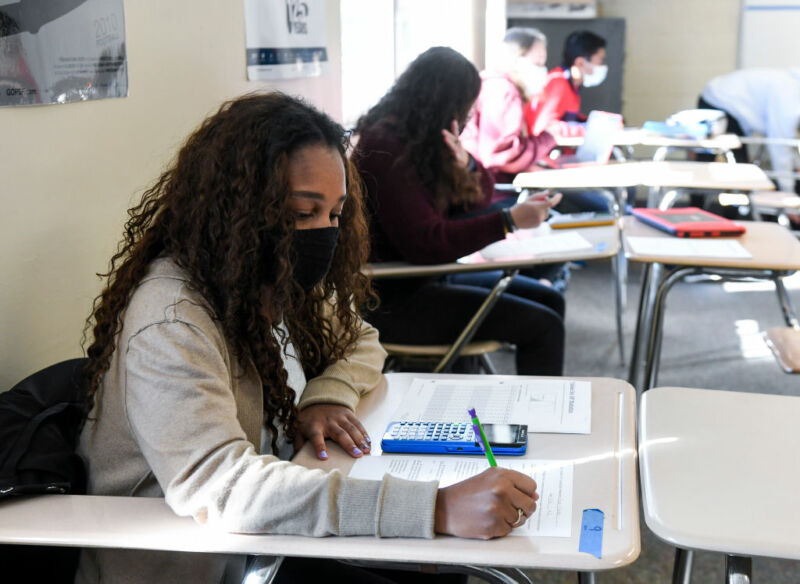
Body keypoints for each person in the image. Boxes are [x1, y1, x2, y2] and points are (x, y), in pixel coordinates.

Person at [76, 93, 539, 584]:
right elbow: (225, 488)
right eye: (302, 213)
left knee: (440, 571)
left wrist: (326, 395)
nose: (322, 233)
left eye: (335, 215)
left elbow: (361, 339)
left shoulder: (269, 280)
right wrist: (436, 508)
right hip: (201, 561)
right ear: (238, 210)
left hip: (271, 542)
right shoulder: (172, 323)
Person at [353, 47, 566, 376]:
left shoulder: (420, 139)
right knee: (544, 325)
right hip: (394, 300)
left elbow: (480, 199)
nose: (468, 117)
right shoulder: (386, 149)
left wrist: (465, 164)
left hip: (424, 279)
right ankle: (539, 424)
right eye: (467, 106)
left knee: (551, 301)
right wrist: (510, 220)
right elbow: (427, 242)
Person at [460, 27, 557, 191]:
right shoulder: (503, 91)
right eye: (539, 62)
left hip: (489, 182)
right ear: (516, 60)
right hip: (490, 189)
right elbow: (501, 156)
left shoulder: (498, 86)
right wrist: (548, 139)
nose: (543, 69)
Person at [698, 68, 800, 192]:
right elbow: (780, 145)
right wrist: (788, 192)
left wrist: (795, 166)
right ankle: (701, 205)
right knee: (740, 172)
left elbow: (788, 140)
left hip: (726, 100)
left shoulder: (791, 86)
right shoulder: (789, 95)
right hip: (718, 101)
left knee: (739, 171)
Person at [526, 30, 607, 138]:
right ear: (580, 62)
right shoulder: (558, 84)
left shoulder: (572, 86)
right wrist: (583, 130)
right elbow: (544, 128)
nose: (602, 66)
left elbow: (568, 119)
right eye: (600, 61)